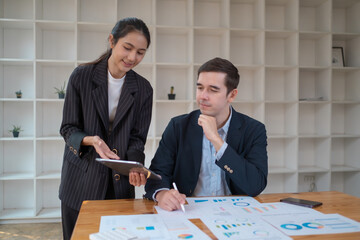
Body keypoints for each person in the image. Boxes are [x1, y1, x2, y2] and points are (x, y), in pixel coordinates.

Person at [59, 17, 152, 239]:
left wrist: (135, 167)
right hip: (81, 181)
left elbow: (137, 138)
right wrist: (93, 140)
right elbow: (68, 128)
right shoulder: (81, 76)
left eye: (140, 52)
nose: (132, 57)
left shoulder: (143, 89)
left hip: (119, 186)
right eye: (127, 48)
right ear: (112, 41)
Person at [144, 57, 268, 211]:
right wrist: (162, 194)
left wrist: (217, 140)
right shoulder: (178, 126)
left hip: (237, 212)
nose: (203, 96)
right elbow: (157, 174)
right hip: (189, 211)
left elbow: (256, 185)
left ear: (232, 95)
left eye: (213, 90)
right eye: (200, 88)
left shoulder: (253, 130)